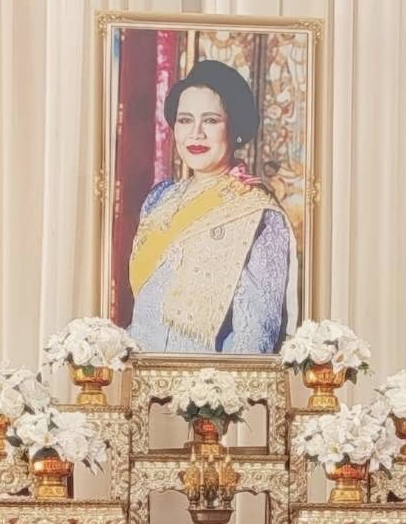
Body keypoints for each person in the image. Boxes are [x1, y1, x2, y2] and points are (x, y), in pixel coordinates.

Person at [127, 59, 297, 354]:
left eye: (211, 120)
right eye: (184, 120)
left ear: (235, 128)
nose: (196, 133)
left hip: (208, 379)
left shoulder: (257, 213)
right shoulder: (159, 199)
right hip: (141, 374)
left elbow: (254, 337)